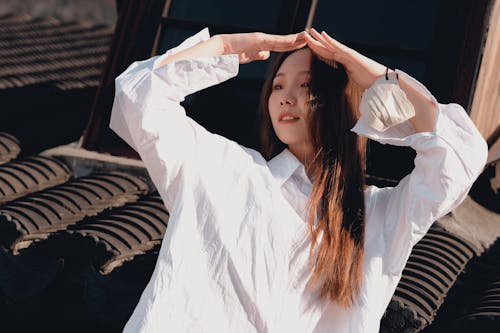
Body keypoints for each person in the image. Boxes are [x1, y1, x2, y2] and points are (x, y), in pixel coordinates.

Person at [110, 27, 487, 333]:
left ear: (339, 101)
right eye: (277, 86)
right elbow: (137, 100)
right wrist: (224, 46)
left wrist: (377, 80)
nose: (286, 97)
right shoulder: (222, 169)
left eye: (305, 85)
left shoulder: (377, 216)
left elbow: (459, 158)